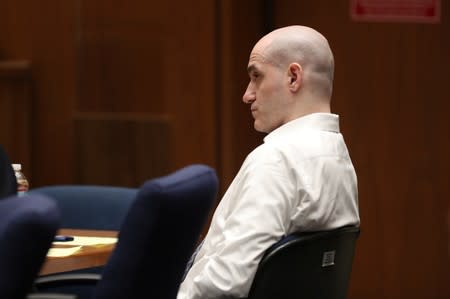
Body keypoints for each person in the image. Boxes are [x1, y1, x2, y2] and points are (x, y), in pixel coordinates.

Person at [177, 25, 360, 299]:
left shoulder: (276, 160)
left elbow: (224, 285)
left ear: (293, 77)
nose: (247, 94)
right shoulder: (337, 155)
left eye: (256, 76)